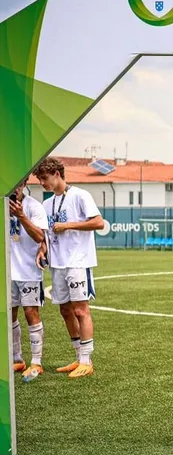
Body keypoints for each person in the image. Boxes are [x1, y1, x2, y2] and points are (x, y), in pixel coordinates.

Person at [34, 157, 104, 378]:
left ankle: (87, 360)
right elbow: (46, 234)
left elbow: (98, 223)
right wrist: (42, 250)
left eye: (44, 178)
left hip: (78, 262)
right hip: (58, 264)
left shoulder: (81, 195)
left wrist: (68, 225)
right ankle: (78, 357)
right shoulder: (46, 204)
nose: (42, 183)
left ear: (57, 174)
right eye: (39, 179)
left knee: (81, 310)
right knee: (65, 311)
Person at [8, 182, 49, 382]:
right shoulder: (2, 205)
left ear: (24, 184)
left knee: (31, 313)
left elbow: (40, 237)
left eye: (19, 183)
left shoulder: (34, 207)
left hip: (29, 271)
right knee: (9, 315)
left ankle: (36, 362)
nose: (15, 188)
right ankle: (17, 359)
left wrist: (21, 216)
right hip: (7, 272)